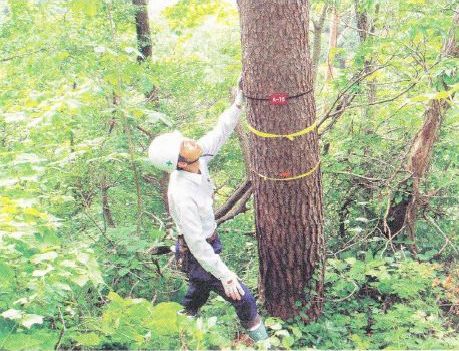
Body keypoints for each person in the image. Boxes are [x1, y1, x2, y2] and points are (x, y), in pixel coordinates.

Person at [147, 77, 268, 343]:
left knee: (198, 290)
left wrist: (239, 101)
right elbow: (197, 244)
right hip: (197, 251)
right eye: (183, 145)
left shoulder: (197, 157)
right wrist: (226, 276)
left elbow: (220, 131)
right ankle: (267, 345)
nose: (189, 141)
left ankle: (180, 324)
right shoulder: (180, 194)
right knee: (243, 298)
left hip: (205, 244)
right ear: (179, 162)